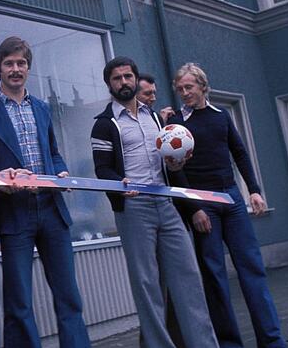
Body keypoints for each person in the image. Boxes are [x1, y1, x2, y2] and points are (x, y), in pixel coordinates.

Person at [91, 56, 218, 348]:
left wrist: (175, 168)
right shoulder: (104, 125)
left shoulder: (156, 118)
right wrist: (118, 185)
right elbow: (103, 170)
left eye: (127, 77)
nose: (123, 82)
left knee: (189, 280)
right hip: (134, 210)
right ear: (109, 84)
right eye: (117, 78)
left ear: (136, 80)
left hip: (167, 204)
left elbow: (170, 165)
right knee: (148, 287)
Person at [0, 37, 90, 348]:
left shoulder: (41, 107)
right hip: (14, 212)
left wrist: (61, 170)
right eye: (9, 63)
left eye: (21, 63)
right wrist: (1, 179)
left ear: (28, 68)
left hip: (52, 209)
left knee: (69, 296)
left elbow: (53, 152)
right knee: (19, 301)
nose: (16, 69)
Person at [168, 62, 286, 348]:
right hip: (202, 204)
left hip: (231, 199)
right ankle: (229, 343)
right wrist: (193, 208)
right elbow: (175, 170)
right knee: (215, 276)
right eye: (180, 89)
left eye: (189, 87)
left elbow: (240, 153)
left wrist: (254, 191)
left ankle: (272, 340)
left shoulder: (221, 117)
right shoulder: (175, 124)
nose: (184, 93)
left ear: (203, 87)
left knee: (252, 269)